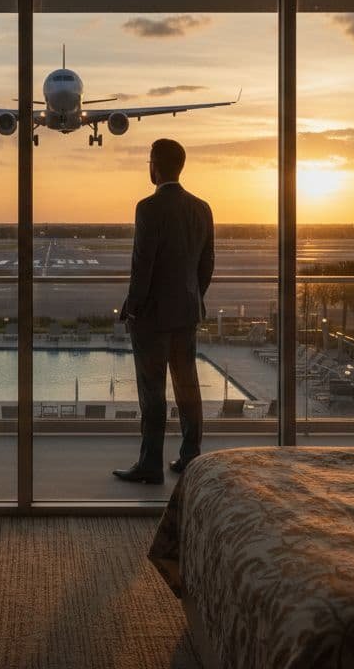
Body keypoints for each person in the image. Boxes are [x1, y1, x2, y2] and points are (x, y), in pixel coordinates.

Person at [113, 138, 214, 485]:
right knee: (188, 387)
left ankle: (150, 464)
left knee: (152, 391)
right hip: (186, 313)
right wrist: (191, 298)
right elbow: (207, 265)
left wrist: (134, 307)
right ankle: (191, 458)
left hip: (153, 318)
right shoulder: (202, 208)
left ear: (155, 164)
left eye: (148, 161)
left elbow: (143, 265)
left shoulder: (148, 208)